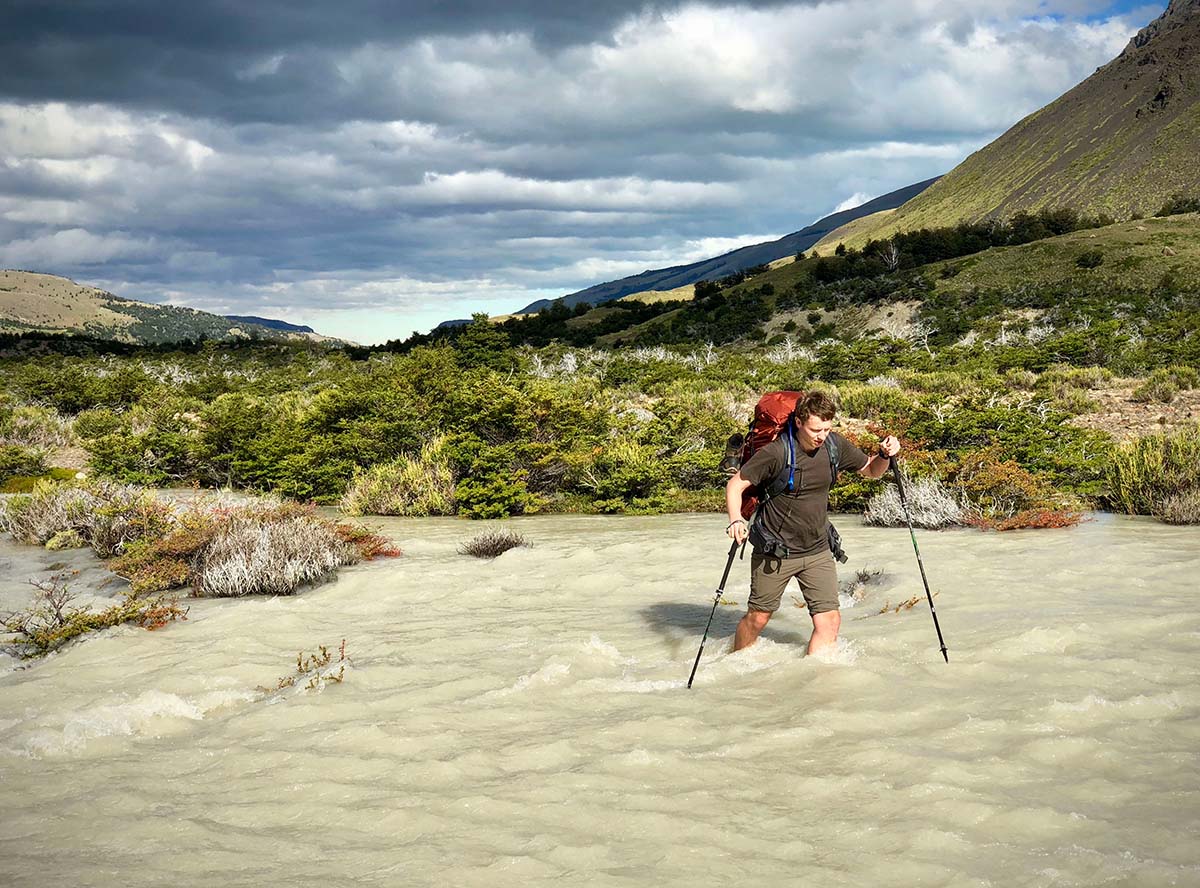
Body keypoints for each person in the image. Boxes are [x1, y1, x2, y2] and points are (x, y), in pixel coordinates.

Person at [724, 391, 900, 655]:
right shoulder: (776, 452)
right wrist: (736, 519)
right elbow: (735, 485)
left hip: (818, 550)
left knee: (829, 621)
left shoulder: (834, 446)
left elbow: (871, 470)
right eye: (816, 429)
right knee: (758, 618)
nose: (821, 436)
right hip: (775, 551)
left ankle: (815, 682)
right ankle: (735, 662)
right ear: (798, 422)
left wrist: (885, 455)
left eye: (827, 429)